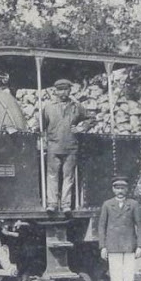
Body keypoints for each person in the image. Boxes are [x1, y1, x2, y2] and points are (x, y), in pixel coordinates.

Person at [42, 78, 92, 215]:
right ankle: (52, 203)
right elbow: (41, 125)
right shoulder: (48, 107)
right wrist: (42, 138)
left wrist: (82, 127)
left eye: (66, 89)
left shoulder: (77, 106)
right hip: (53, 146)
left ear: (70, 90)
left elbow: (90, 118)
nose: (63, 92)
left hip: (71, 146)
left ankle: (66, 205)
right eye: (60, 89)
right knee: (52, 175)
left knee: (68, 176)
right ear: (55, 91)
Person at [98, 176, 141, 281]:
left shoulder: (134, 204)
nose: (120, 191)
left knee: (129, 275)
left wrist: (140, 246)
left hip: (129, 245)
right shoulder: (107, 204)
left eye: (122, 188)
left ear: (127, 189)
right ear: (113, 189)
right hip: (112, 245)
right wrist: (103, 246)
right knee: (115, 275)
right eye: (117, 188)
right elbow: (102, 227)